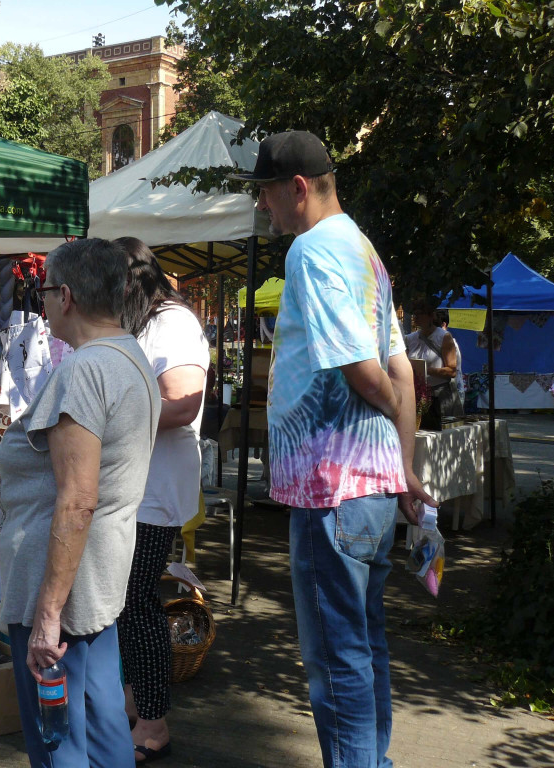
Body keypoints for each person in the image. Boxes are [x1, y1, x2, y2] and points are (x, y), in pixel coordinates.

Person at [238, 130, 437, 768]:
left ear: (297, 189)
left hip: (333, 486)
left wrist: (384, 417)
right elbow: (403, 371)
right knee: (364, 645)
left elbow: (364, 371)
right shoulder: (364, 251)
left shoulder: (313, 250)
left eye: (267, 194)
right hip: (371, 486)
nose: (263, 208)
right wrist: (402, 468)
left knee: (335, 656)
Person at [0, 238, 161, 768]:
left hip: (63, 583)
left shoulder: (85, 370)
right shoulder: (129, 354)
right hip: (98, 574)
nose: (40, 302)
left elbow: (77, 500)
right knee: (104, 718)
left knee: (58, 737)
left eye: (42, 292)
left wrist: (47, 613)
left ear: (64, 295)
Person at [116, 236, 208, 764]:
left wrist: (112, 416)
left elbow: (184, 401)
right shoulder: (150, 321)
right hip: (140, 488)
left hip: (156, 491)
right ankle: (136, 702)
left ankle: (153, 723)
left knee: (137, 602)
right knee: (128, 602)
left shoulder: (172, 322)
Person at [405, 301, 463, 424]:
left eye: (420, 314)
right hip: (417, 394)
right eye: (414, 314)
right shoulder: (410, 339)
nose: (416, 317)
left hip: (439, 394)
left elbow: (452, 371)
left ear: (431, 316)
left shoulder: (443, 337)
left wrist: (425, 369)